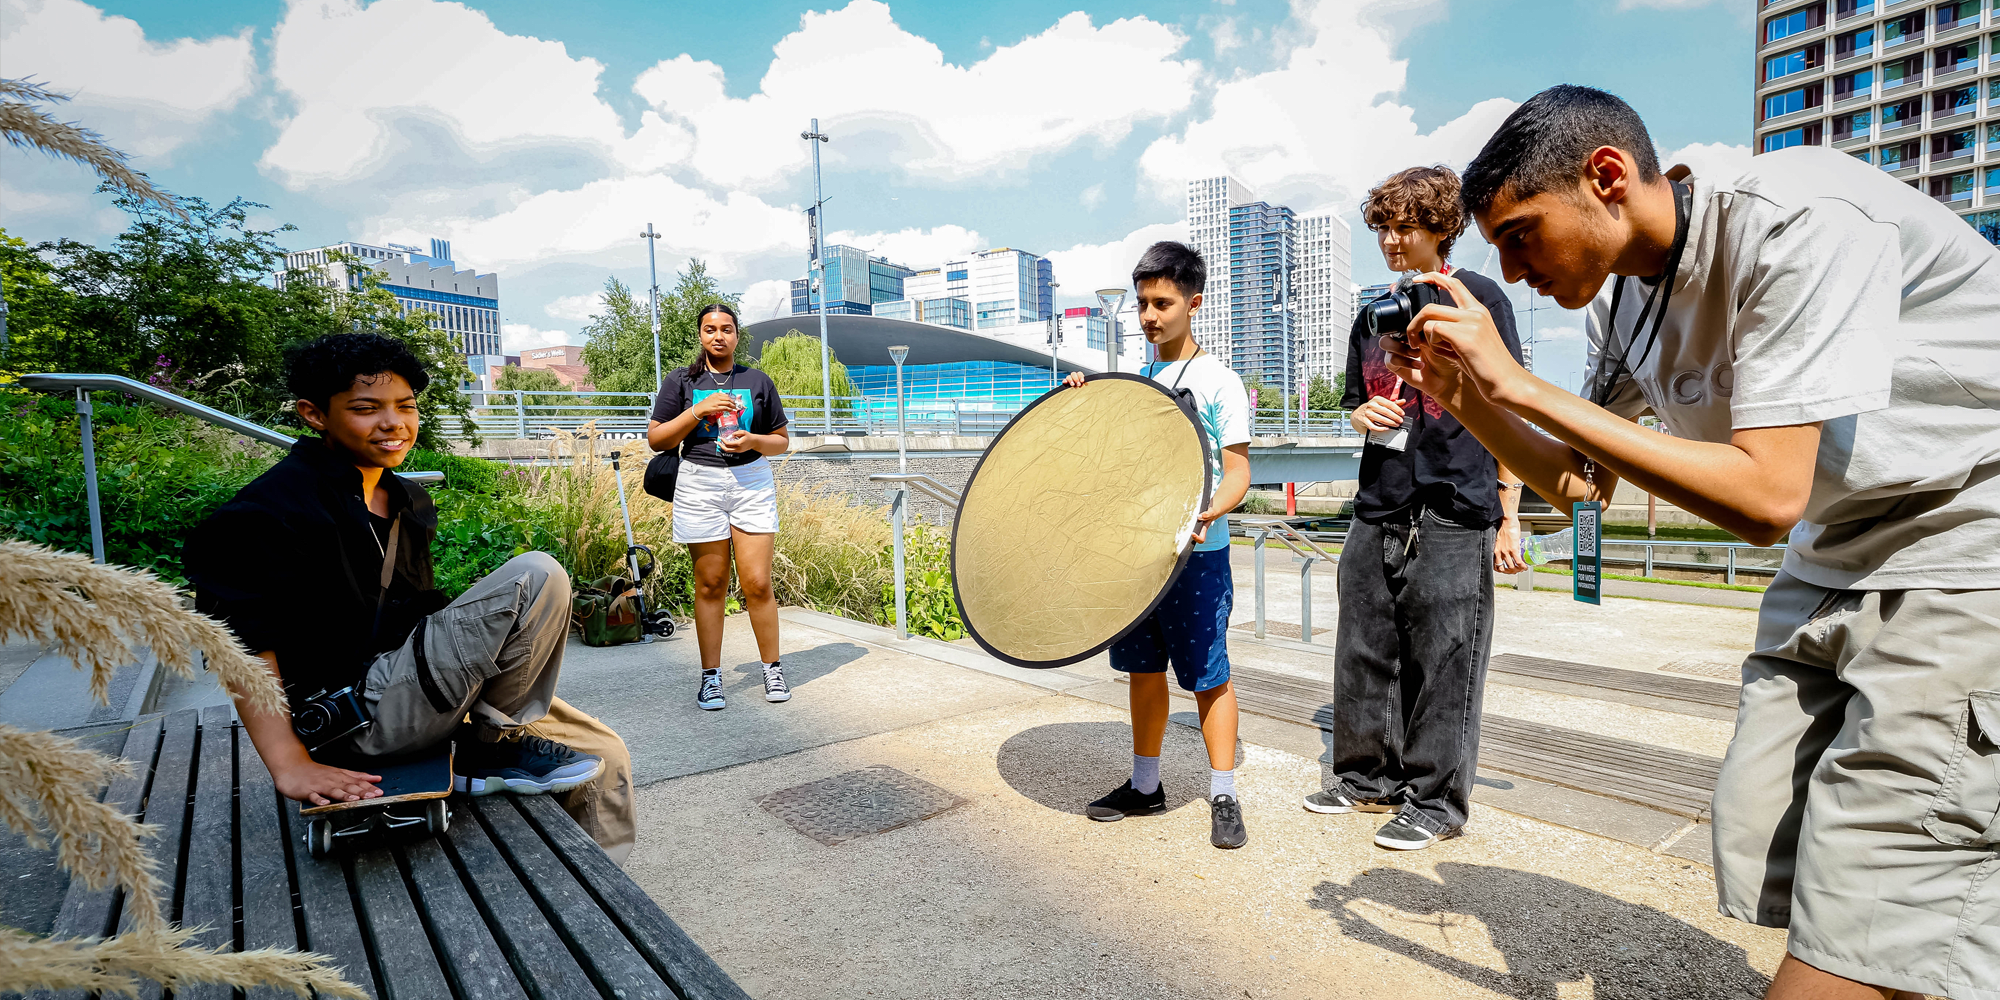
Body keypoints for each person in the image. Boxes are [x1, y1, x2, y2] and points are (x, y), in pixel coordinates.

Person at [1383, 84, 1999, 1000]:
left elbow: (1766, 498)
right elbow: (1583, 489)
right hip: (1832, 554)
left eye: (1520, 235)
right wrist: (1469, 398)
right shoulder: (1617, 304)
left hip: (1962, 542)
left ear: (1607, 177)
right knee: (1767, 838)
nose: (1512, 274)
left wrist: (1518, 387)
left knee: (1882, 879)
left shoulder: (1796, 219)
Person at [186, 333, 636, 864]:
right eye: (365, 408)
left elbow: (410, 617)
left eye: (406, 406)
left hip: (415, 692)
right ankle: (486, 747)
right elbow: (240, 648)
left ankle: (597, 894)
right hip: (353, 717)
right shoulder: (265, 514)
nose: (393, 423)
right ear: (315, 415)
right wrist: (289, 762)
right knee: (536, 574)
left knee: (604, 754)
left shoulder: (406, 500)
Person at [1303, 165, 1526, 851]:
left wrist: (1509, 512)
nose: (1394, 240)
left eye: (1408, 226)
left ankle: (1435, 800)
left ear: (1441, 228)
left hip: (1456, 502)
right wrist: (1361, 413)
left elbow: (1512, 401)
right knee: (1363, 645)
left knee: (1448, 655)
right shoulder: (1373, 313)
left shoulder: (1478, 299)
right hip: (1380, 499)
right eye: (1385, 227)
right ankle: (1366, 778)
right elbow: (1352, 401)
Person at [1063, 241, 1255, 850]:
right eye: (1143, 303)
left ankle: (1222, 792)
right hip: (1139, 556)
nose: (1149, 315)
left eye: (1162, 303)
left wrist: (1209, 512)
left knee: (1207, 675)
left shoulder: (1220, 381)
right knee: (1143, 672)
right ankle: (1146, 786)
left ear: (1192, 304)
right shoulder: (1135, 381)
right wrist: (1084, 396)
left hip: (1198, 555)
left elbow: (1238, 473)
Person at [646, 303, 792, 712]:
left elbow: (781, 441)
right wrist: (698, 410)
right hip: (700, 483)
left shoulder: (756, 380)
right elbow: (657, 440)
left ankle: (772, 668)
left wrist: (753, 442)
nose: (718, 336)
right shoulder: (681, 381)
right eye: (710, 329)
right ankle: (711, 678)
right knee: (710, 584)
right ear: (700, 335)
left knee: (758, 583)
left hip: (751, 481)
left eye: (726, 329)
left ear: (736, 335)